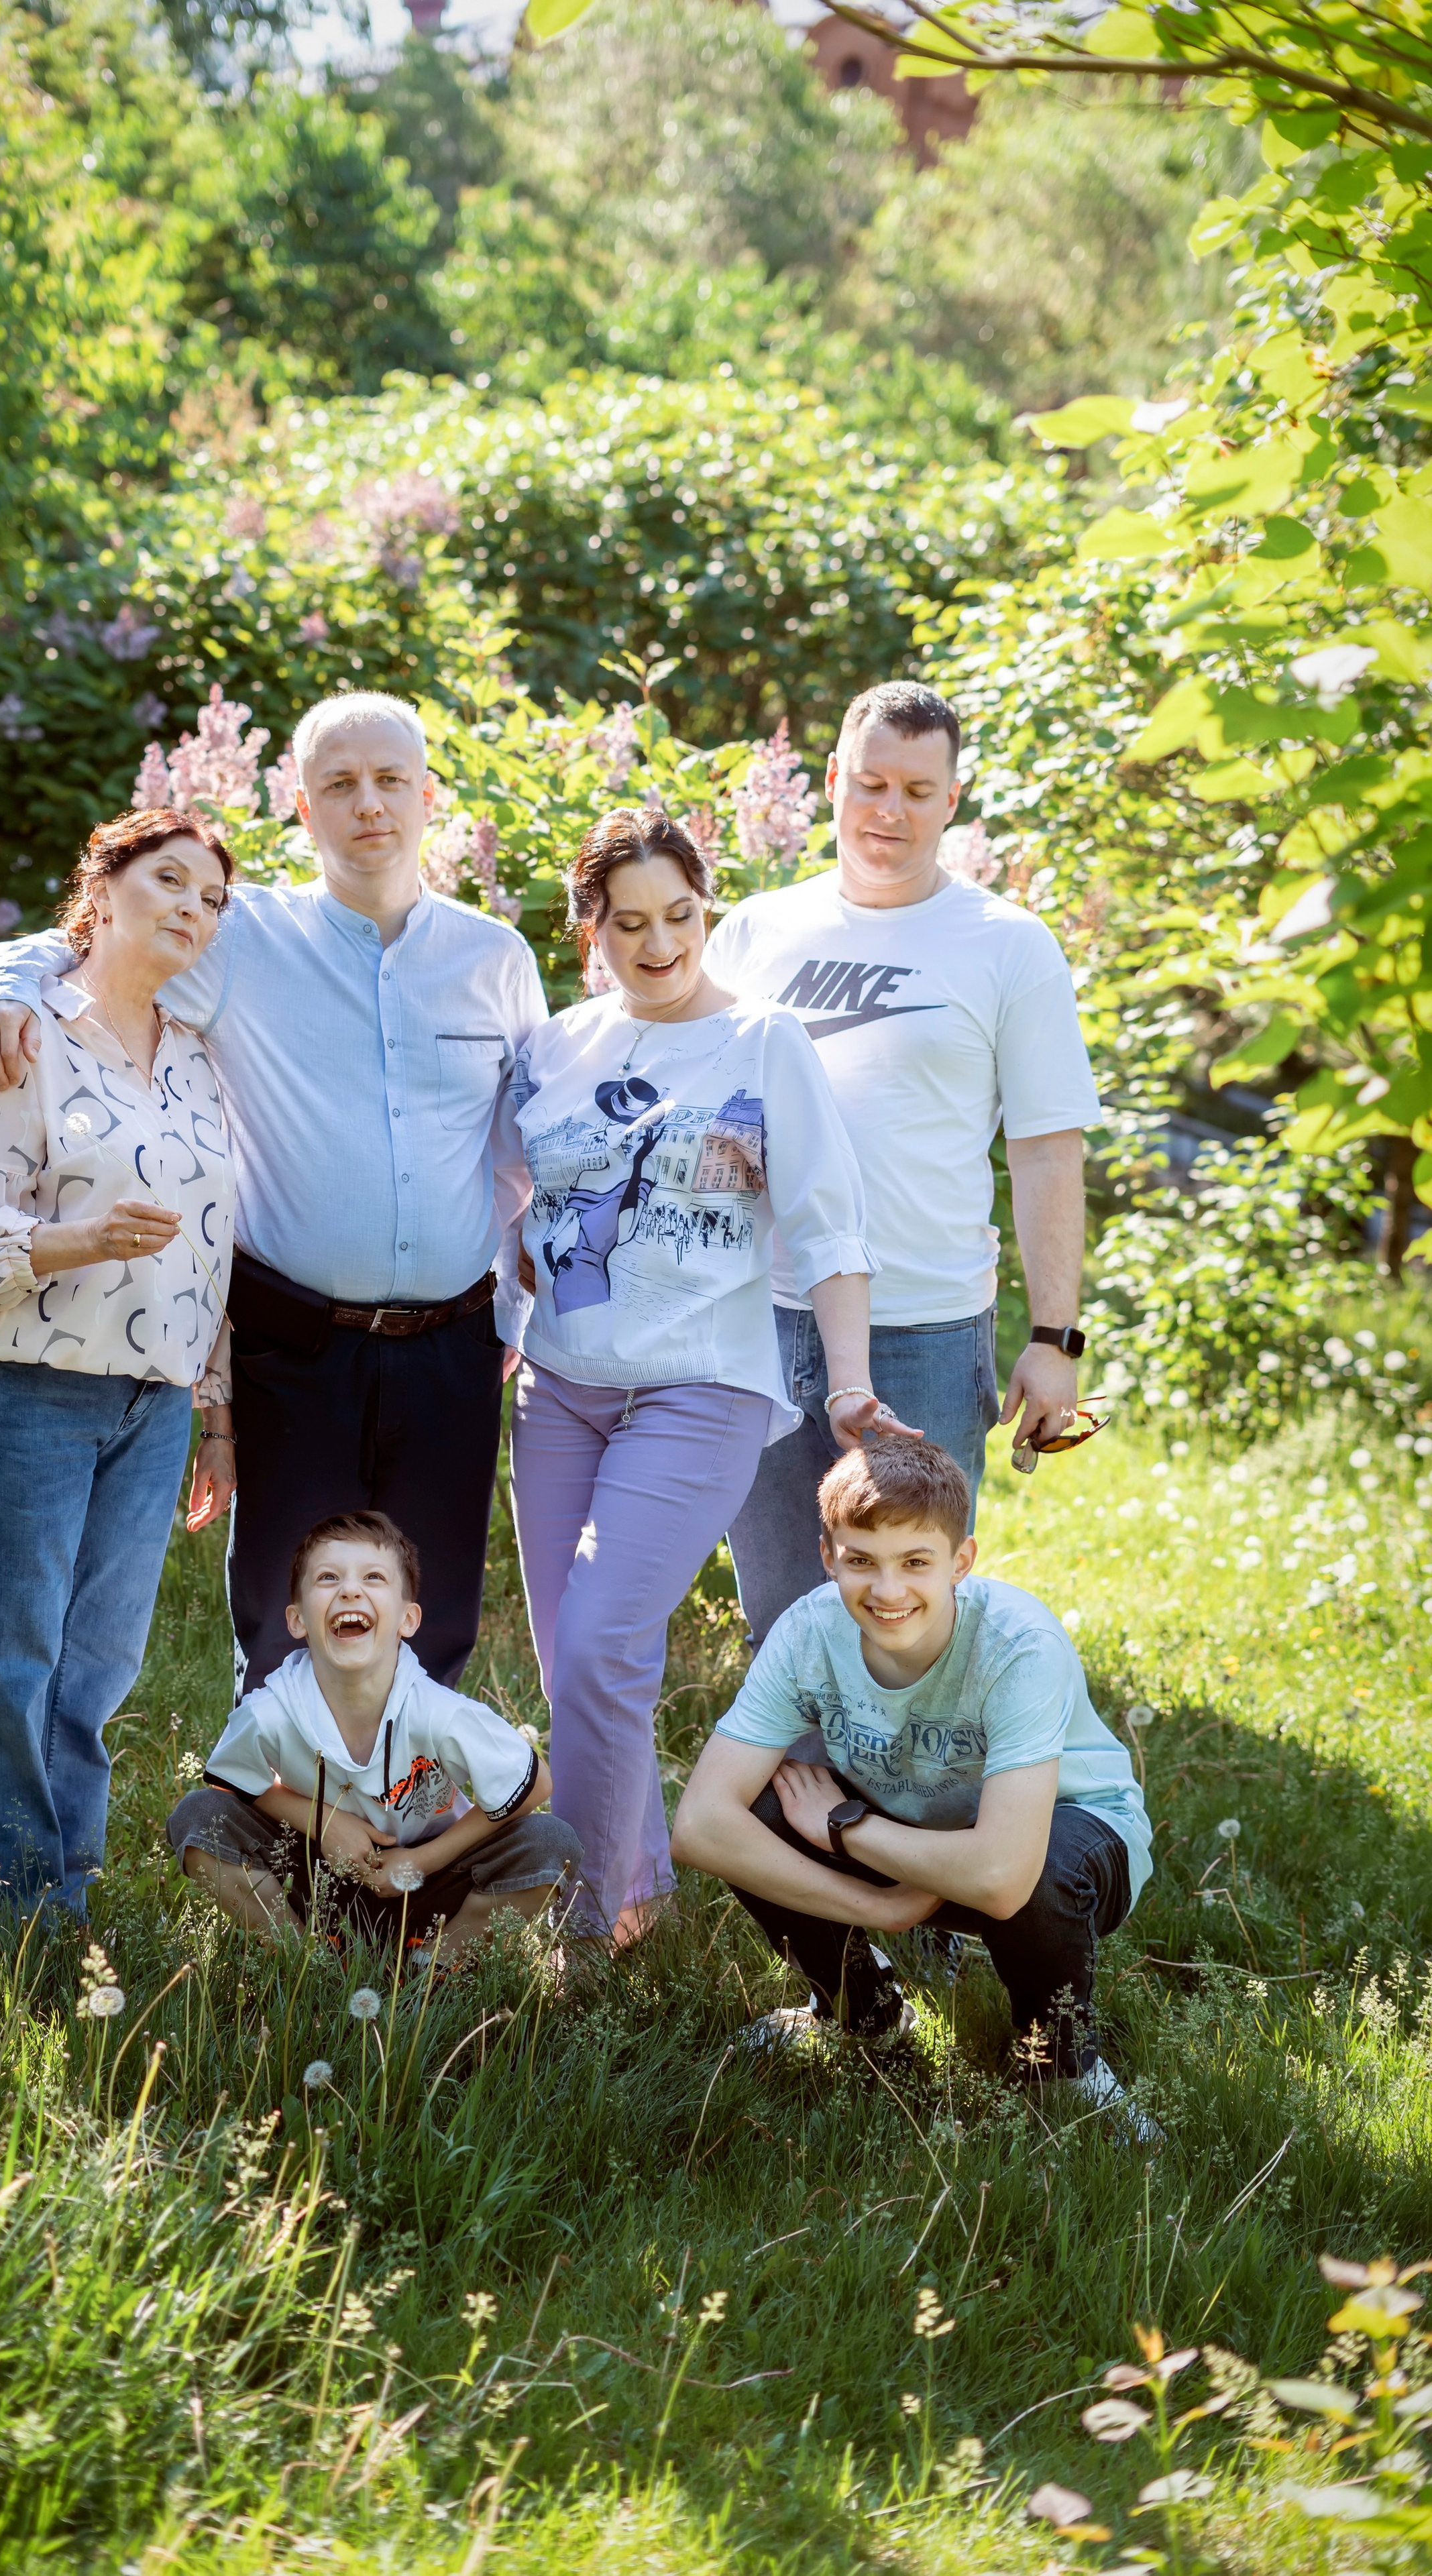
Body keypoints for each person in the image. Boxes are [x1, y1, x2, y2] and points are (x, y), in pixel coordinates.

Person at [0, 691, 545, 1695]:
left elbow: (519, 1152)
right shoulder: (241, 941)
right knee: (284, 1618)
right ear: (303, 810)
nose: (371, 805)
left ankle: (401, 1836)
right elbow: (93, 945)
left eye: (392, 780)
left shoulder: (496, 959)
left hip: (454, 1346)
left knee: (432, 1618)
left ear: (429, 795)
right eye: (341, 785)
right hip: (296, 1343)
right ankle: (281, 1841)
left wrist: (517, 1312)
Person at [504, 805, 916, 1945]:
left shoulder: (764, 1042)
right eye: (629, 922)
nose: (658, 943)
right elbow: (511, 1209)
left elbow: (831, 1225)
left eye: (679, 916)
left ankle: (583, 1929)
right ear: (590, 928)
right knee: (583, 1667)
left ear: (707, 911)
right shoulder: (554, 1046)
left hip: (701, 1389)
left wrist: (846, 1381)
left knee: (600, 1645)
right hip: (558, 1390)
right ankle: (632, 1894)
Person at [705, 679, 1102, 1642]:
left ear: (952, 800)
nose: (891, 811)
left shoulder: (1008, 946)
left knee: (905, 1611)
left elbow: (1048, 1149)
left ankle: (905, 1795)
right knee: (779, 1611)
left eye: (919, 792)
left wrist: (1056, 1338)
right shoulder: (756, 932)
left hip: (923, 1323)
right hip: (760, 1316)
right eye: (872, 783)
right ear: (834, 779)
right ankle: (787, 1790)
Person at [0, 808, 237, 1915]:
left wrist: (216, 1417)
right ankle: (18, 1916)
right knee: (12, 1672)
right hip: (21, 1393)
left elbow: (213, 1257)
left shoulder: (201, 1062)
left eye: (212, 898)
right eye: (172, 882)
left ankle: (72, 1895)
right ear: (98, 892)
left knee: (95, 1673)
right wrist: (87, 1241)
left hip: (150, 1412)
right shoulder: (20, 1034)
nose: (194, 909)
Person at [669, 1440, 1154, 2131]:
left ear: (961, 1562)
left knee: (1038, 1868)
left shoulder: (1018, 1644)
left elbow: (1001, 1877)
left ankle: (1061, 2069)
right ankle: (859, 2013)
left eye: (916, 1563)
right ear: (828, 1556)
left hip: (1062, 1836)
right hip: (919, 1840)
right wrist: (879, 1906)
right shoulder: (808, 1631)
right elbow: (701, 1826)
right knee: (764, 1806)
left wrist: (846, 1826)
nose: (887, 1590)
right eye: (861, 1560)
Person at [167, 1512, 582, 1962]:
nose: (349, 1589)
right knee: (199, 1817)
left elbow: (535, 1783)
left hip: (434, 1880)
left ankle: (437, 1967)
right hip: (316, 1880)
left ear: (408, 1618)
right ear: (296, 1619)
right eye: (328, 1577)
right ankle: (303, 1959)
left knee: (552, 1844)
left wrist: (423, 1861)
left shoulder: (437, 1712)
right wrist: (323, 1823)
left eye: (374, 1577)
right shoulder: (271, 1711)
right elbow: (230, 1781)